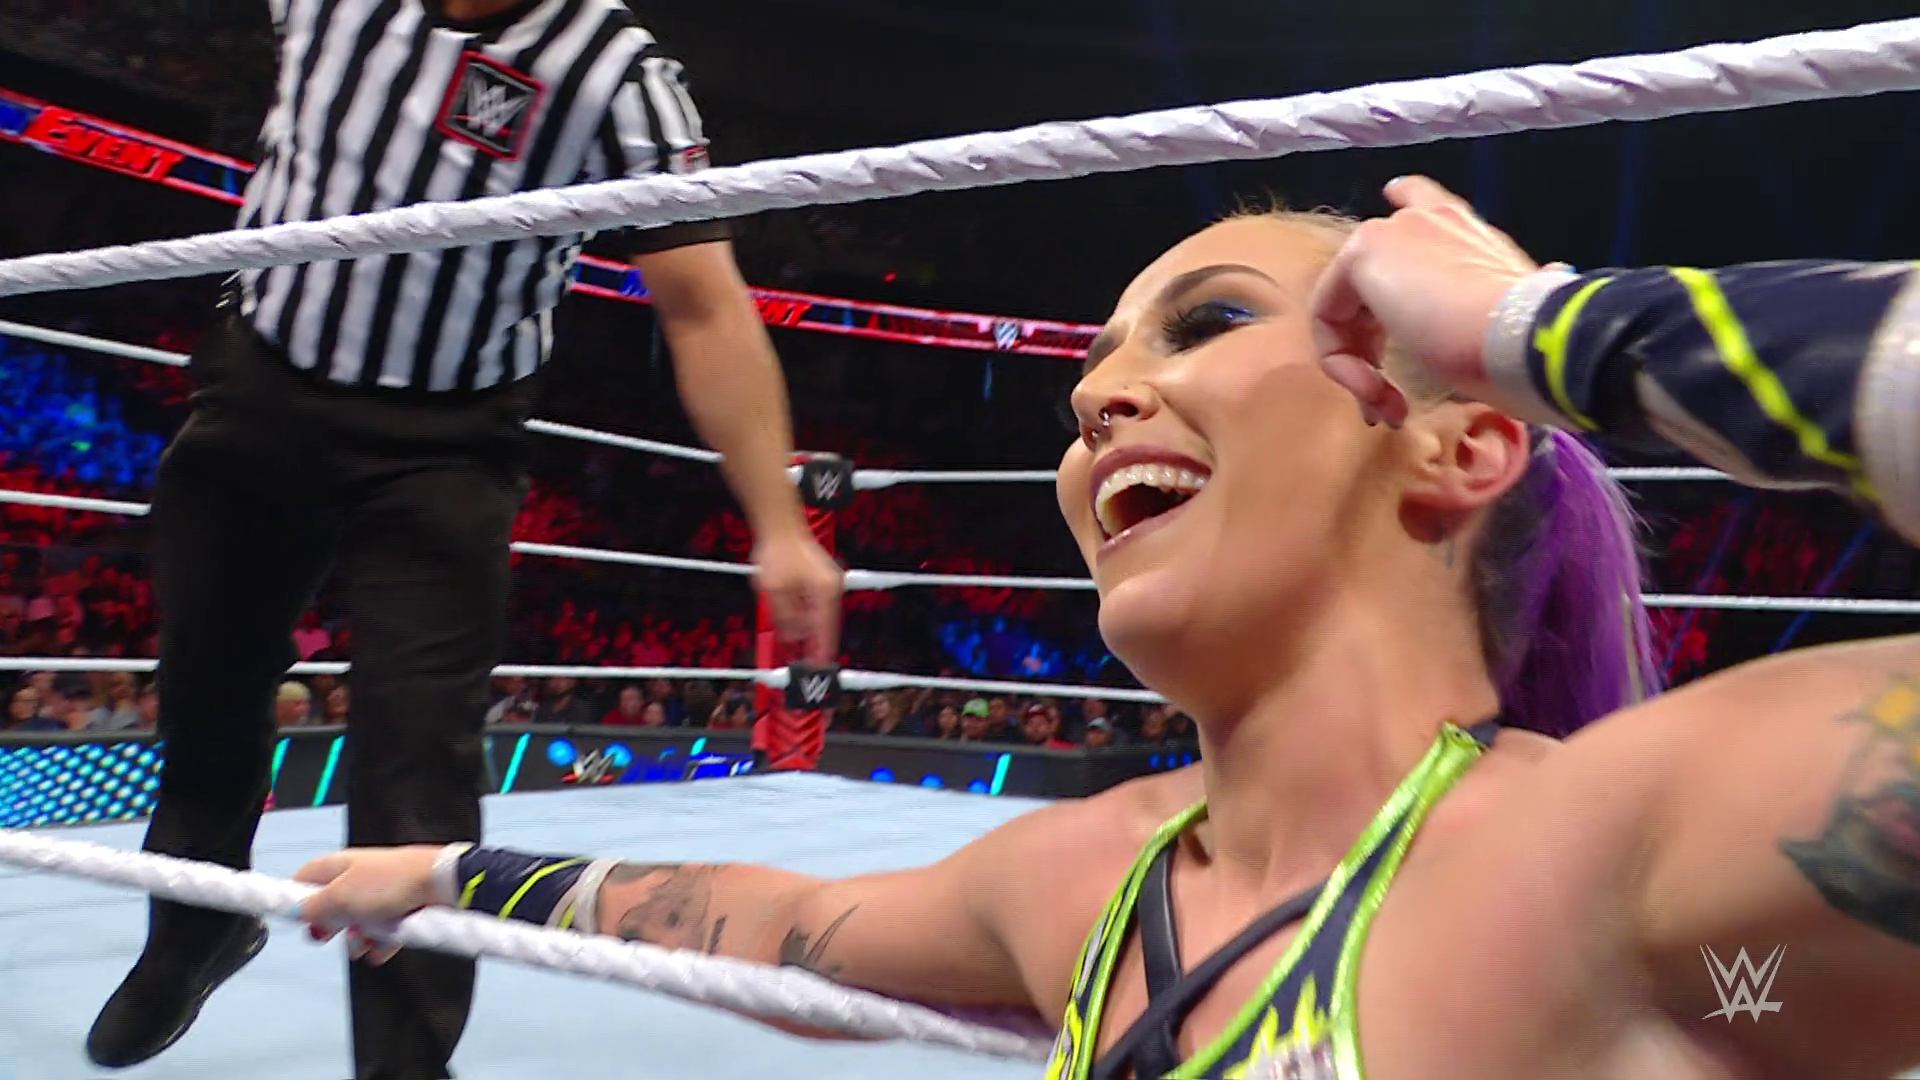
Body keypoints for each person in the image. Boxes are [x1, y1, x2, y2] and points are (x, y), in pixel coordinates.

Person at [294, 184, 1920, 1079]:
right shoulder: (1091, 876)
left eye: (1207, 324)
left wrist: (1539, 323)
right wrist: (440, 877)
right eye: (1097, 360)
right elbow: (768, 922)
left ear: (1459, 443)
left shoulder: (1637, 846)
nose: (1096, 395)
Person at [86, 1, 843, 1077]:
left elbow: (704, 306)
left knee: (417, 771)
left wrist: (777, 519)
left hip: (444, 446)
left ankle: (405, 1063)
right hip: (261, 392)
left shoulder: (617, 74)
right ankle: (196, 928)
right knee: (206, 687)